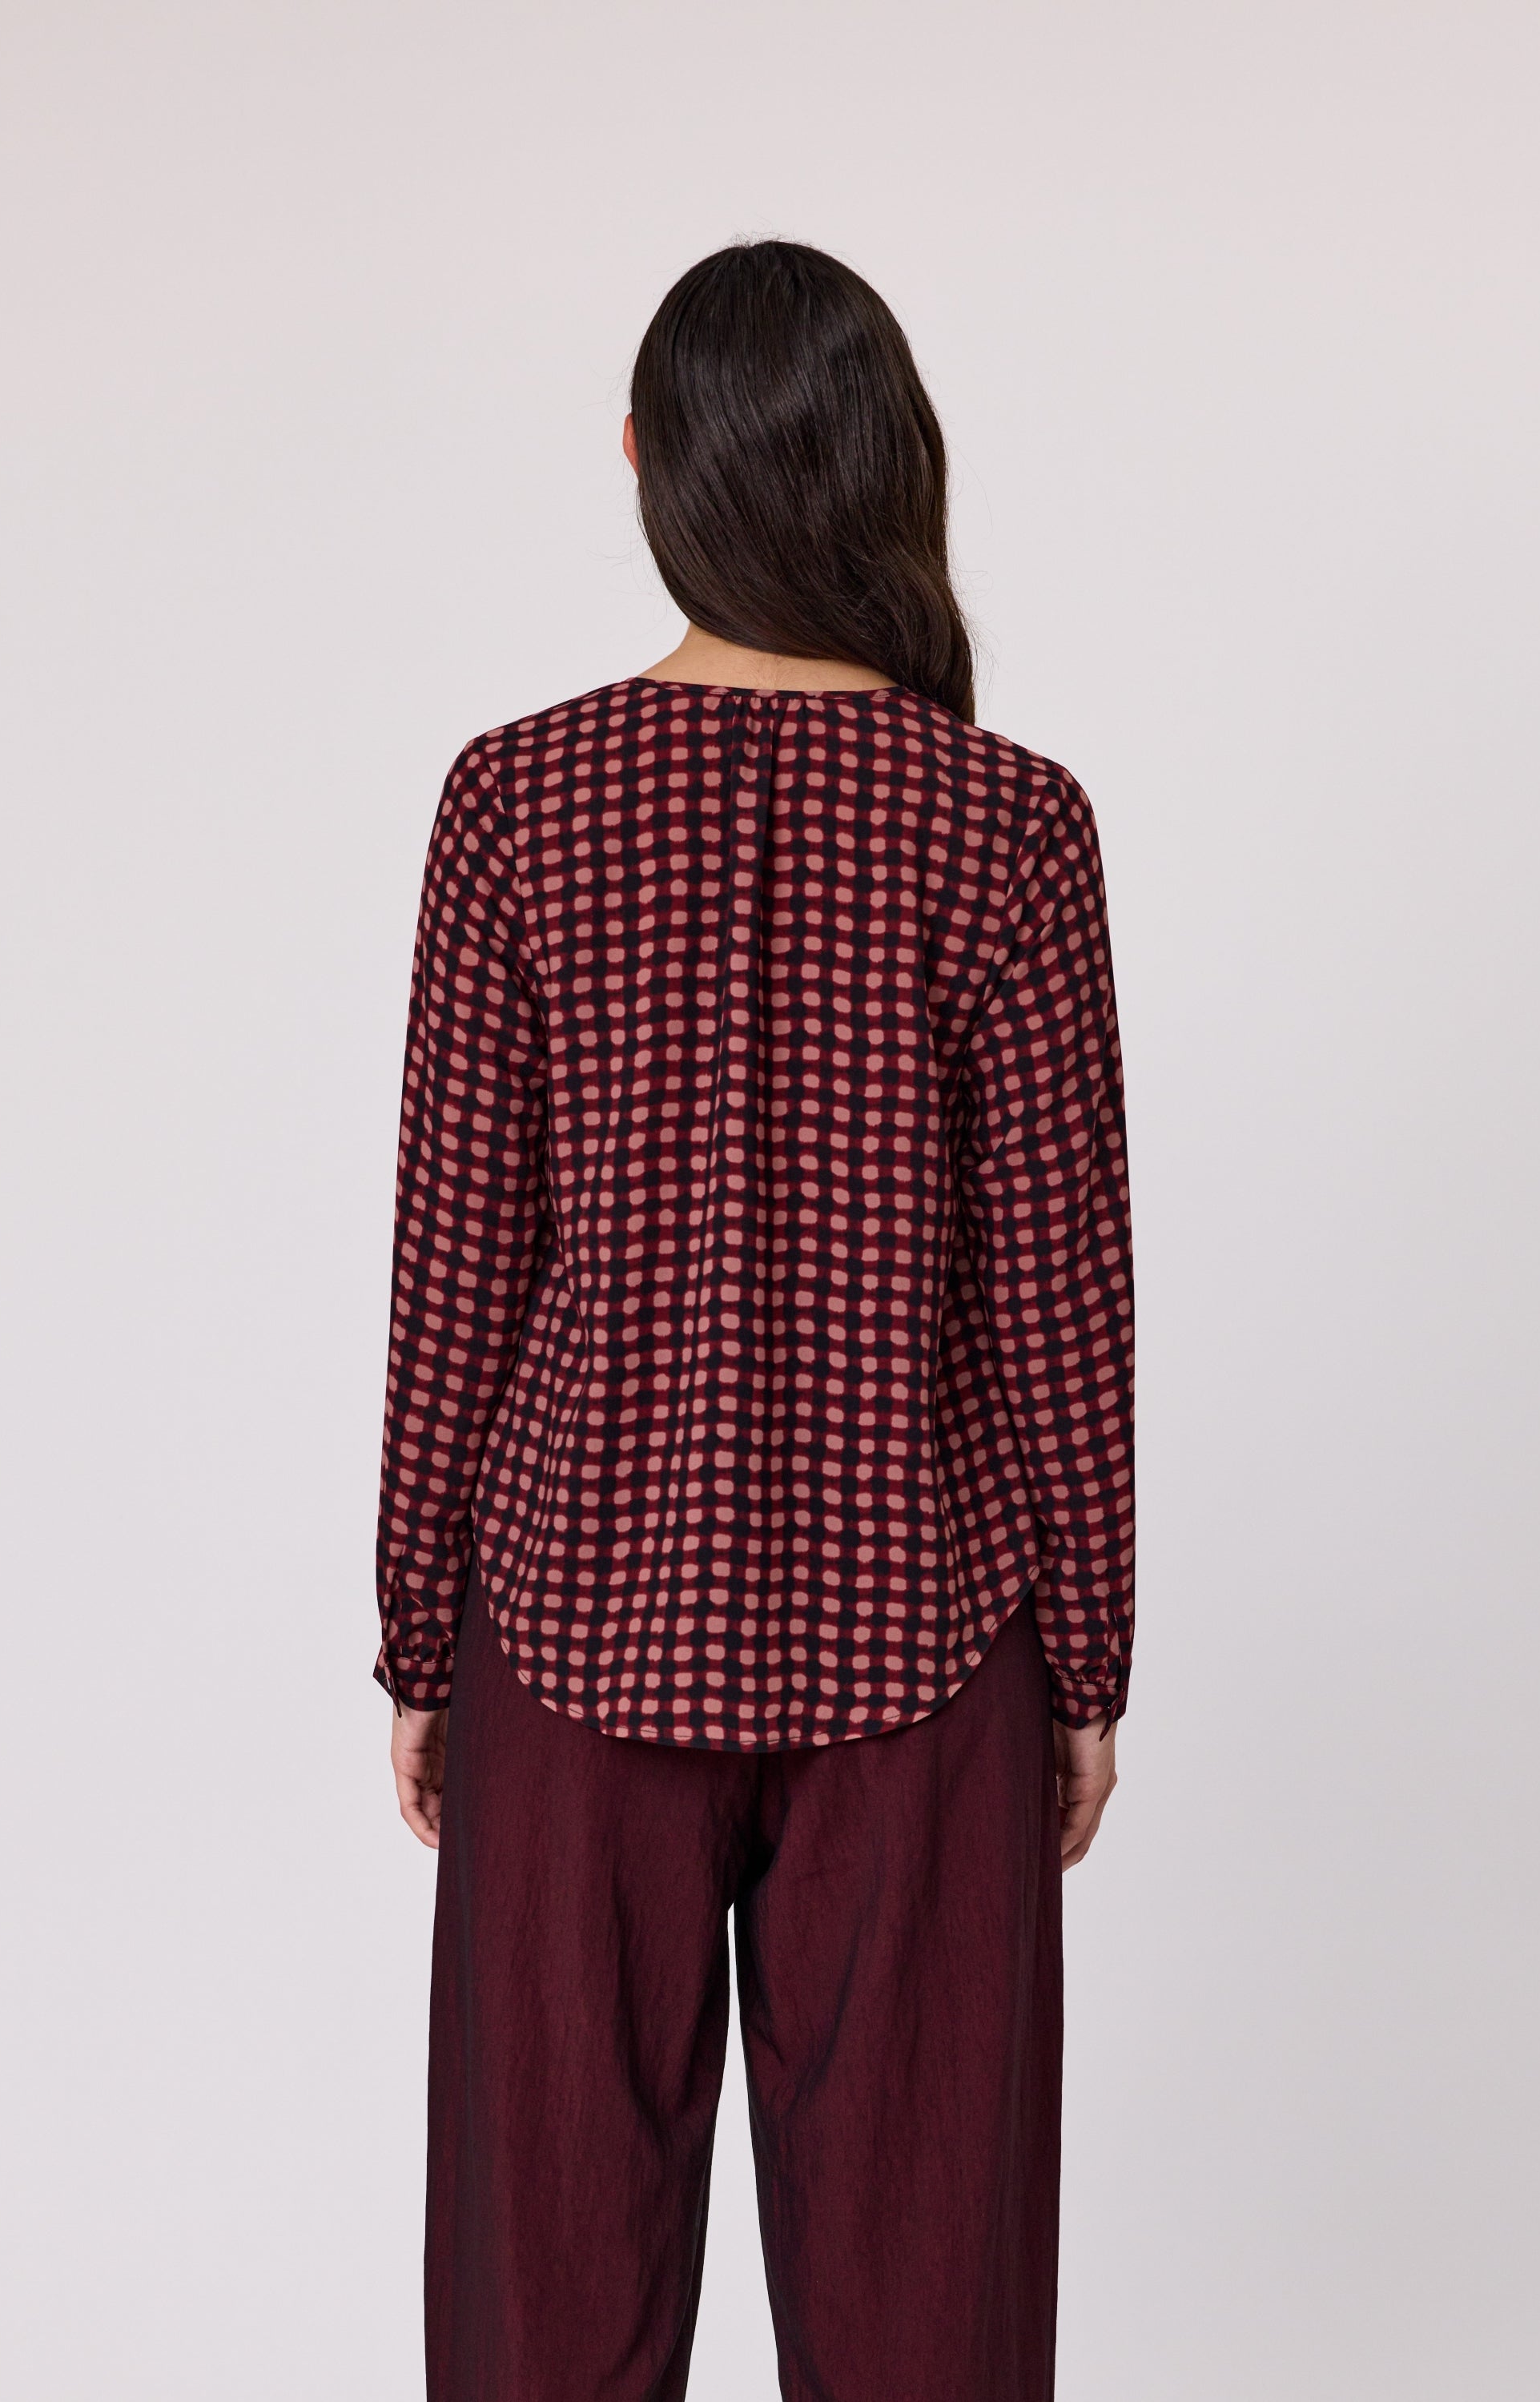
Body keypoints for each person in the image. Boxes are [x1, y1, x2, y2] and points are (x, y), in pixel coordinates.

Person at [375, 238, 1133, 2402]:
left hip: (575, 1631)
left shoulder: (516, 802)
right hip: (925, 1646)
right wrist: (1087, 1663)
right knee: (930, 2330)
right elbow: (1064, 1293)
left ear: (642, 459)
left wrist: (422, 1633)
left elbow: (457, 1266)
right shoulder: (1010, 826)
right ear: (894, 468)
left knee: (539, 2325)